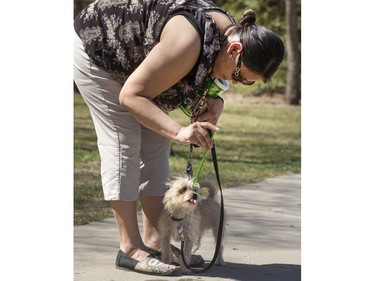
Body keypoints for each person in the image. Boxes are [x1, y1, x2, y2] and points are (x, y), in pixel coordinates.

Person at [74, 0, 284, 276]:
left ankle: (153, 240)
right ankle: (129, 248)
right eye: (239, 77)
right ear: (235, 49)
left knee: (157, 145)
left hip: (138, 61)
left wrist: (213, 100)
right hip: (99, 50)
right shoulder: (188, 40)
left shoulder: (225, 35)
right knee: (123, 143)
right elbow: (130, 95)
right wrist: (179, 130)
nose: (234, 84)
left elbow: (191, 75)